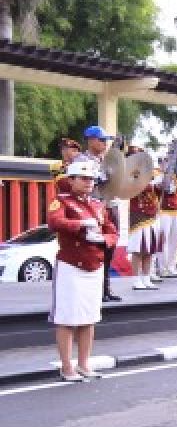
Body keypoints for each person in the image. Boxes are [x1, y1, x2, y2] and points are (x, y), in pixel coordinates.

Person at [47, 159, 117, 381]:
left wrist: (104, 239)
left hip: (94, 264)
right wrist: (80, 225)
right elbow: (54, 223)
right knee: (67, 318)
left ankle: (84, 364)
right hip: (71, 264)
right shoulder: (61, 201)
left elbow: (112, 232)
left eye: (91, 179)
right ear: (72, 180)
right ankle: (66, 367)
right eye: (84, 178)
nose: (89, 182)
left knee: (89, 318)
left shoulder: (98, 205)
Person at [80, 125, 121, 302]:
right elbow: (80, 184)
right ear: (90, 140)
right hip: (94, 207)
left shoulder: (107, 160)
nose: (105, 143)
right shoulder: (81, 160)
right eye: (101, 140)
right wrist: (99, 176)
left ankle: (106, 288)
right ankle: (94, 289)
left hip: (111, 206)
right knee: (94, 249)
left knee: (110, 248)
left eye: (106, 140)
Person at [126, 147, 162, 291]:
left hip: (152, 214)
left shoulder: (149, 173)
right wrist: (152, 183)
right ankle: (136, 279)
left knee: (149, 249)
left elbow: (157, 191)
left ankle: (146, 278)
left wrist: (162, 184)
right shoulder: (128, 173)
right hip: (139, 215)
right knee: (138, 248)